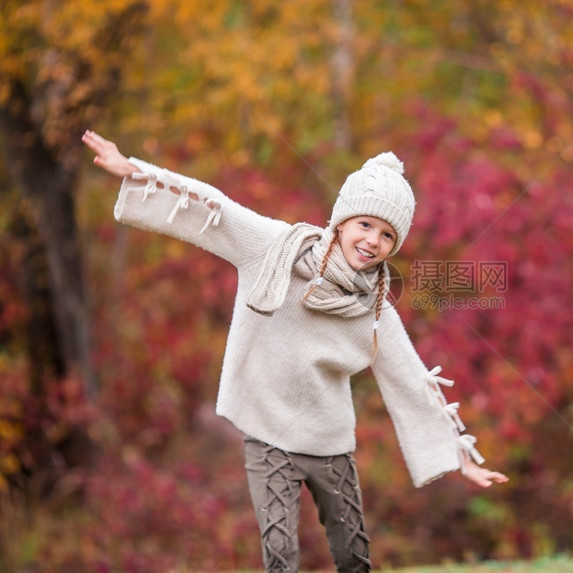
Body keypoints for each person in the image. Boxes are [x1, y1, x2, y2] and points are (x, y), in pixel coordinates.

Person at [81, 130, 508, 573]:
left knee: (354, 558)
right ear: (341, 221)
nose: (372, 241)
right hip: (268, 435)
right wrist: (134, 169)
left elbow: (410, 381)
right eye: (365, 224)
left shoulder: (376, 309)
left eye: (386, 234)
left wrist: (461, 459)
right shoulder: (277, 248)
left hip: (330, 443)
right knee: (280, 559)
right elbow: (216, 210)